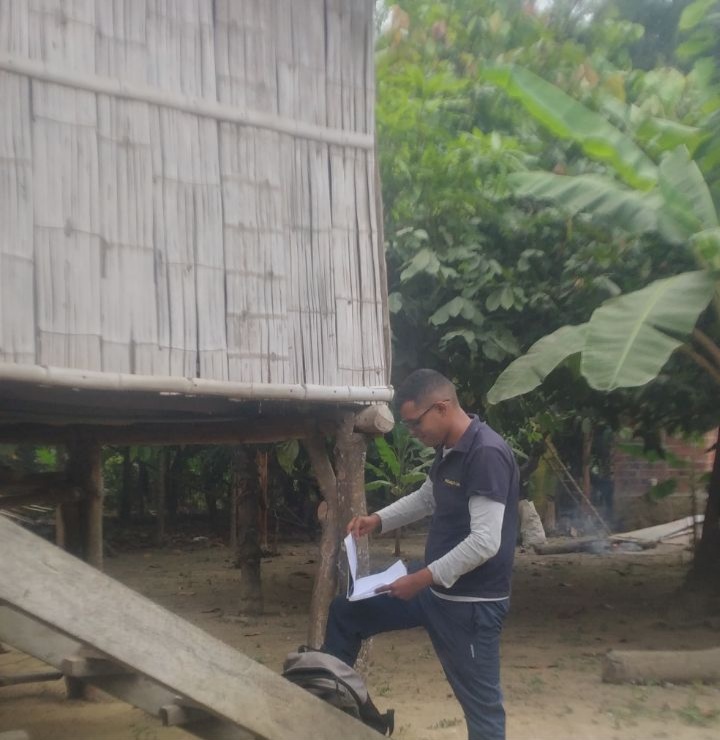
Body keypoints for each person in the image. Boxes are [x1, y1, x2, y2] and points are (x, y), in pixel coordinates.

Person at [322, 369, 519, 740]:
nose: (412, 432)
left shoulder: (486, 454)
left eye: (415, 423)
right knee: (346, 612)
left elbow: (485, 542)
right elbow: (428, 497)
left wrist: (420, 579)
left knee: (482, 709)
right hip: (432, 588)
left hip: (470, 604)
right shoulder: (449, 447)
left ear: (442, 407)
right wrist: (378, 520)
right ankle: (335, 712)